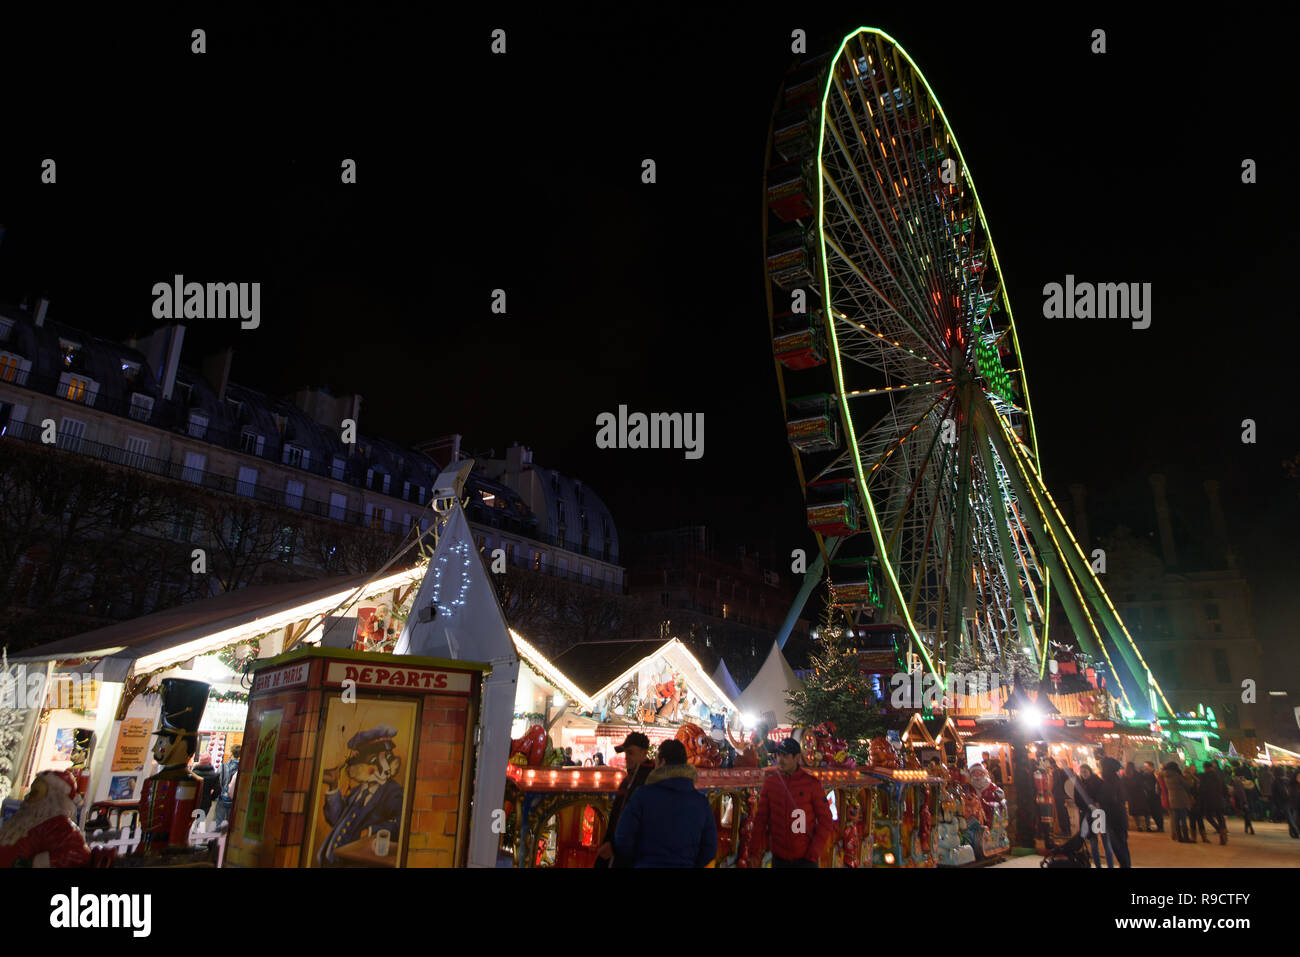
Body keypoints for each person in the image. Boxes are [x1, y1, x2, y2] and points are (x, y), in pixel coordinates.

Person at [613, 739, 717, 867]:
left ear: (662, 762)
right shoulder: (701, 803)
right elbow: (710, 848)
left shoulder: (642, 796)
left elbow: (623, 838)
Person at [750, 738, 834, 867]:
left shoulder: (811, 784)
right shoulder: (771, 783)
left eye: (786, 756)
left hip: (806, 859)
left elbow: (826, 820)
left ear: (797, 757)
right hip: (779, 858)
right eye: (779, 755)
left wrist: (814, 851)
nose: (780, 760)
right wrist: (754, 852)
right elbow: (760, 819)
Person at [594, 732, 652, 868]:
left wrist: (614, 845)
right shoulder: (629, 779)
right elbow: (616, 815)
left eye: (630, 753)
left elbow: (636, 821)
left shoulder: (648, 780)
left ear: (644, 753)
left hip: (631, 854)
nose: (626, 758)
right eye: (625, 753)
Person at [1073, 764, 1113, 868]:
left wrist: (1097, 802)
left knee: (1105, 842)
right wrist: (1086, 806)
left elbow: (1105, 795)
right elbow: (1077, 800)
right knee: (1093, 844)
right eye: (1082, 772)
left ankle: (1110, 865)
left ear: (1089, 771)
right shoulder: (1079, 784)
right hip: (1088, 815)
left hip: (1100, 814)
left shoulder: (1097, 781)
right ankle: (1098, 865)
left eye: (1085, 771)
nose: (1084, 774)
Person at [1099, 758, 1131, 868]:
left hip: (1114, 818)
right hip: (1119, 818)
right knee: (1122, 845)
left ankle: (1125, 865)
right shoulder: (1117, 779)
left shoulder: (1110, 781)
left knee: (1119, 846)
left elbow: (1110, 799)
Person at [1199, 761, 1228, 845]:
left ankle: (1219, 830)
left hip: (1209, 800)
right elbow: (1224, 788)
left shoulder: (1204, 777)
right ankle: (1223, 835)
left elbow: (1202, 789)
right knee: (1220, 817)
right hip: (1219, 799)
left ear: (1205, 768)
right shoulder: (1219, 776)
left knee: (1208, 816)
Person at [1163, 762, 1193, 842]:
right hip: (1181, 798)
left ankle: (1179, 837)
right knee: (1183, 819)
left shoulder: (1166, 776)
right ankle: (1186, 837)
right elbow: (1188, 785)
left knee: (1176, 819)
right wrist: (1188, 777)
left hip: (1172, 798)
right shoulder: (1177, 776)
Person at [214, 744, 241, 827]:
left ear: (231, 753)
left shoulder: (223, 766)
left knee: (219, 821)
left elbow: (217, 781)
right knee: (232, 823)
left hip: (222, 797)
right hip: (235, 800)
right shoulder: (242, 768)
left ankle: (218, 838)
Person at [1123, 761, 1150, 833]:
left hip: (1131, 796)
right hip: (1140, 795)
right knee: (1146, 812)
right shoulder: (1137, 774)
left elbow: (1123, 786)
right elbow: (1142, 782)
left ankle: (1139, 826)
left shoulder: (1124, 775)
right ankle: (1148, 826)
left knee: (1135, 813)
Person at [1183, 765, 1208, 842]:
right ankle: (1198, 837)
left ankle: (1199, 837)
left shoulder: (1194, 780)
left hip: (1194, 802)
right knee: (1195, 820)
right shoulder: (1194, 780)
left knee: (1196, 819)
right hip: (1193, 802)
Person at [1231, 765, 1255, 834]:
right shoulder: (1248, 780)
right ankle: (1247, 828)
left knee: (1246, 814)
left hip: (1243, 800)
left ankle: (1250, 828)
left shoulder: (1236, 780)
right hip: (1249, 799)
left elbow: (1238, 792)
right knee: (1247, 814)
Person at [1049, 757, 1070, 835]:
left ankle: (1065, 830)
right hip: (1061, 794)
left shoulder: (1055, 772)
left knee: (1061, 813)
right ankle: (1067, 830)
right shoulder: (1058, 770)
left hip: (1058, 795)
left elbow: (1055, 784)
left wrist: (1050, 790)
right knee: (1063, 812)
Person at [1143, 761, 1164, 833]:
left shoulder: (1155, 773)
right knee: (1153, 812)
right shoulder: (1147, 774)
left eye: (1146, 766)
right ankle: (1159, 826)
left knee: (1157, 812)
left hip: (1155, 795)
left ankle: (1160, 827)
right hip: (1150, 795)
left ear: (1150, 766)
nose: (1145, 767)